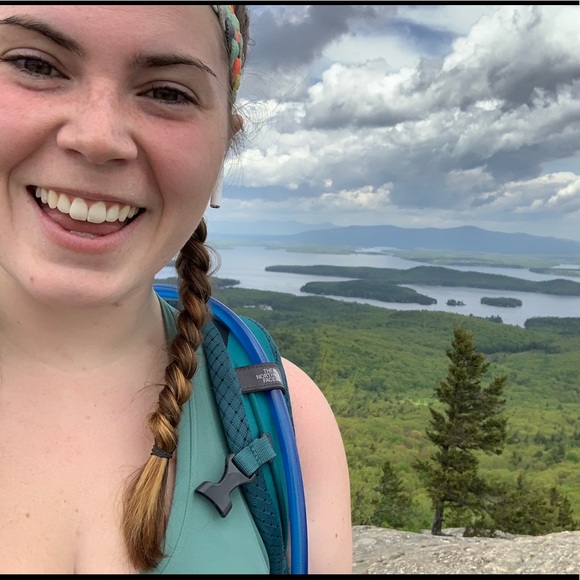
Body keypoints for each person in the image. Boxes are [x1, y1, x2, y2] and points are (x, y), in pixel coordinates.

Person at [0, 4, 352, 574]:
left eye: (168, 93)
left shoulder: (289, 419)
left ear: (223, 150)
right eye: (34, 65)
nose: (98, 138)